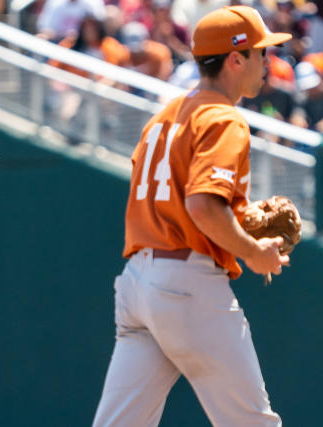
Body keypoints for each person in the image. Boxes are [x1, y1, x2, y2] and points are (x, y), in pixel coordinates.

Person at [92, 6, 291, 427]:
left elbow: (175, 198)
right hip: (187, 283)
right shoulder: (223, 118)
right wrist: (253, 252)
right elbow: (201, 205)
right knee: (253, 423)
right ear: (236, 59)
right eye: (261, 53)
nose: (268, 63)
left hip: (137, 285)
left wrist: (240, 216)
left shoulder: (165, 115)